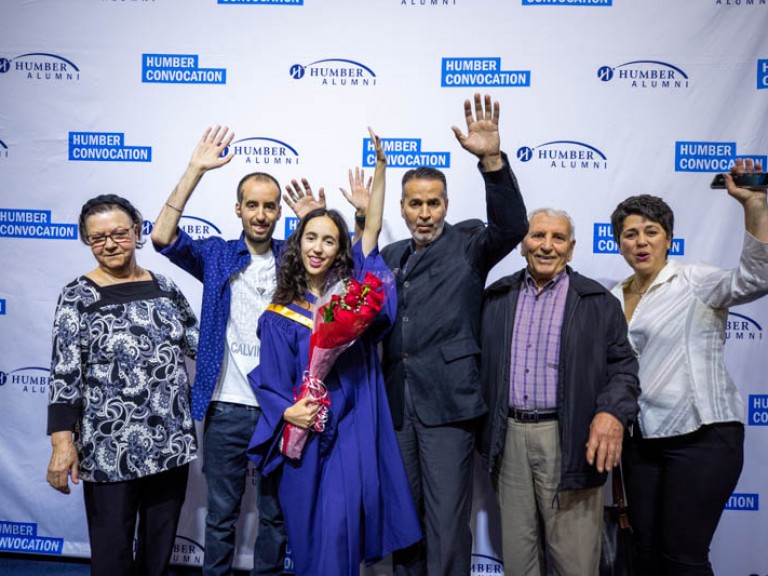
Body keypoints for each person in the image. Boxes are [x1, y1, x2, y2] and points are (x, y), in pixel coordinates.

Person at [247, 129, 422, 576]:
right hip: (303, 436)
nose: (317, 248)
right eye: (310, 238)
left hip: (348, 430)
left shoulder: (354, 299)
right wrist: (288, 412)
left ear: (340, 248)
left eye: (329, 240)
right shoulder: (279, 313)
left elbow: (373, 231)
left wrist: (381, 174)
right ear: (297, 245)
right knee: (306, 540)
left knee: (340, 532)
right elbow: (269, 378)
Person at [379, 93, 528, 575]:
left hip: (449, 405)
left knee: (446, 522)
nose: (425, 213)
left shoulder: (468, 244)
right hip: (398, 406)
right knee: (404, 522)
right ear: (402, 208)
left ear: (447, 204)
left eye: (434, 203)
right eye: (416, 204)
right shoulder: (392, 254)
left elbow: (512, 226)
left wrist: (491, 161)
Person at [151, 126, 310, 576]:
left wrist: (318, 219)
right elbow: (162, 237)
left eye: (269, 205)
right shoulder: (218, 255)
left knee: (275, 517)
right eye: (252, 205)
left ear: (280, 211)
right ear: (238, 209)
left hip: (280, 409)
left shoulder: (296, 257)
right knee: (221, 518)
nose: (261, 214)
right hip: (226, 408)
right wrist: (194, 170)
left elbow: (344, 277)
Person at [609, 159, 768, 576]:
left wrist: (753, 208)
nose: (641, 242)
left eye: (651, 232)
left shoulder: (694, 280)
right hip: (640, 442)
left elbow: (756, 278)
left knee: (682, 557)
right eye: (630, 234)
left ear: (668, 240)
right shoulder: (610, 297)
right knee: (643, 552)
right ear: (618, 244)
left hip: (703, 438)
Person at [478, 208, 640, 576]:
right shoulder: (496, 298)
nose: (546, 246)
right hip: (509, 439)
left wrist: (612, 412)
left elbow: (625, 370)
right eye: (537, 236)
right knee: (519, 561)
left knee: (575, 562)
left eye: (558, 238)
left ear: (571, 248)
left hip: (572, 440)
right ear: (522, 243)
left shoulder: (597, 302)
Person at [46, 194, 199, 576]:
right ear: (87, 240)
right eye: (97, 238)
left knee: (159, 547)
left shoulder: (165, 287)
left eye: (118, 233)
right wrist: (62, 443)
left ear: (137, 230)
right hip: (108, 447)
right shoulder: (77, 296)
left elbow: (199, 344)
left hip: (169, 440)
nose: (110, 244)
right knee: (112, 551)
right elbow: (64, 372)